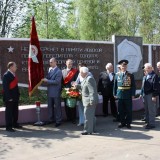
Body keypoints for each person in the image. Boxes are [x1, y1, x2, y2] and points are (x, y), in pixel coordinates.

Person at [74, 67, 98, 135]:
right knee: (91, 116)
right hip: (87, 101)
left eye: (80, 72)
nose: (80, 74)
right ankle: (92, 129)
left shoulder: (89, 79)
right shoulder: (86, 78)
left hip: (89, 101)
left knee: (87, 116)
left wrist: (92, 101)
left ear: (84, 73)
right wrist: (76, 86)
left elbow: (92, 91)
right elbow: (83, 86)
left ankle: (87, 130)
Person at [113, 59, 136, 129]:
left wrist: (132, 94)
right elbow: (115, 85)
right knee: (120, 110)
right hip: (120, 95)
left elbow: (133, 86)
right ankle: (122, 122)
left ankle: (128, 123)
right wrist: (114, 93)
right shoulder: (117, 75)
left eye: (125, 66)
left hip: (128, 95)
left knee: (128, 110)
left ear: (126, 67)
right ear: (120, 66)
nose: (124, 67)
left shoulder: (130, 75)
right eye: (123, 66)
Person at [42, 58, 62, 127]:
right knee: (50, 107)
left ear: (55, 62)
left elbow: (57, 81)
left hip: (56, 92)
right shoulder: (50, 70)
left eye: (51, 62)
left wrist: (47, 81)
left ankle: (58, 121)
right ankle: (50, 120)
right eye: (50, 62)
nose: (50, 63)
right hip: (50, 91)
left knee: (57, 107)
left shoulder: (59, 71)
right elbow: (48, 77)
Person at [2, 62, 22, 132]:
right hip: (9, 97)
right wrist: (8, 97)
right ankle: (9, 127)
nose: (16, 67)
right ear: (11, 67)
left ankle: (15, 124)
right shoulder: (6, 75)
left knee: (15, 111)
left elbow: (15, 86)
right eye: (15, 66)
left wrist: (18, 94)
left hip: (15, 97)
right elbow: (5, 88)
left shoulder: (13, 74)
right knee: (9, 112)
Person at [142, 63, 159, 129]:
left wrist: (154, 96)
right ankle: (148, 122)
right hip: (145, 95)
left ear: (149, 68)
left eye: (146, 68)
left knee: (151, 110)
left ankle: (152, 124)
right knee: (147, 109)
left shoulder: (154, 76)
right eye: (145, 68)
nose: (145, 69)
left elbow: (156, 87)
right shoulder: (146, 75)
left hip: (151, 95)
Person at [62, 59, 79, 124]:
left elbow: (76, 81)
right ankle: (68, 118)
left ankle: (73, 118)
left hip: (72, 90)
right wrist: (63, 89)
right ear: (66, 63)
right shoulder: (63, 71)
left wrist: (74, 88)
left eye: (71, 63)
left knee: (72, 105)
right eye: (69, 63)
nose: (70, 65)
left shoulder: (75, 71)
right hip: (65, 90)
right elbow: (62, 82)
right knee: (66, 105)